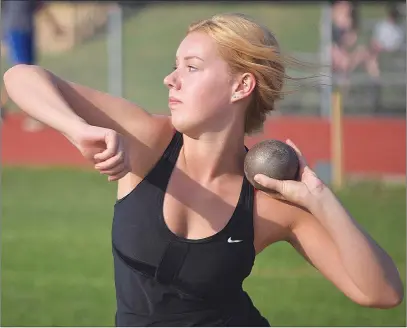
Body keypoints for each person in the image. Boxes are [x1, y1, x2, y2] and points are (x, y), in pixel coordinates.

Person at [3, 13, 404, 327]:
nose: (170, 79)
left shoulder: (269, 198)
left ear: (241, 86)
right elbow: (19, 77)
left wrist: (320, 199)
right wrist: (77, 129)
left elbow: (380, 292)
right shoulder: (148, 142)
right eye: (175, 65)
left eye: (191, 68)